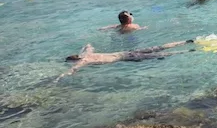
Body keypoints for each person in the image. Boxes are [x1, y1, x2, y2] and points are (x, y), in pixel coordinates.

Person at [59, 40, 193, 79]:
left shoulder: (84, 61)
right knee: (157, 48)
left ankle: (185, 51)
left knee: (158, 55)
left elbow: (73, 70)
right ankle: (185, 42)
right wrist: (82, 49)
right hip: (126, 52)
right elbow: (89, 45)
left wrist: (61, 76)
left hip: (127, 58)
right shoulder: (86, 55)